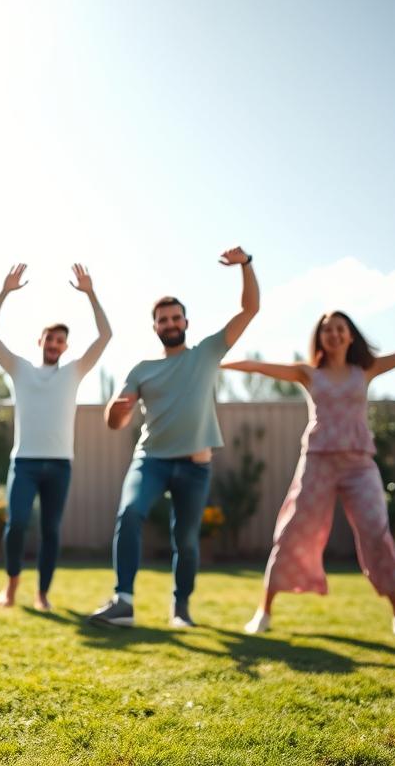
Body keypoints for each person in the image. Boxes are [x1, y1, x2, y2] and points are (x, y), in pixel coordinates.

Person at [224, 311, 395, 639]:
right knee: (293, 530)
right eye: (327, 330)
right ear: (319, 337)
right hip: (318, 462)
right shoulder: (307, 373)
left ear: (350, 335)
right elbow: (256, 366)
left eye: (340, 329)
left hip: (358, 465)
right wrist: (212, 362)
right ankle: (263, 612)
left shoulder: (365, 369)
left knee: (376, 532)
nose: (334, 334)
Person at [89, 247, 259, 628]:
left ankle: (181, 610)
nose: (169, 322)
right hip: (150, 460)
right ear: (155, 327)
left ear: (185, 321)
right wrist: (119, 408)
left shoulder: (207, 352)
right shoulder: (142, 369)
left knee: (186, 540)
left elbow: (249, 309)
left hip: (195, 466)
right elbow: (114, 422)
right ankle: (124, 602)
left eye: (174, 316)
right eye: (162, 319)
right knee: (130, 513)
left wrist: (246, 265)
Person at [0, 263, 112, 610]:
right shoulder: (19, 368)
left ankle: (42, 594)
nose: (53, 344)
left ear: (65, 347)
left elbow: (105, 336)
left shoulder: (74, 372)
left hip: (59, 465)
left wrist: (91, 294)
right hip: (24, 462)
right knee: (17, 523)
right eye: (49, 338)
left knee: (51, 531)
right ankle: (10, 588)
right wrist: (5, 291)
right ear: (40, 341)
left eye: (60, 340)